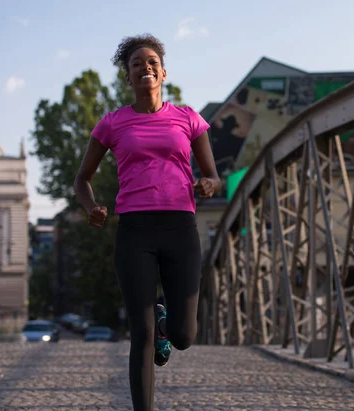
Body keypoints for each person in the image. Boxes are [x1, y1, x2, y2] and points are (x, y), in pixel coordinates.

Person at [73, 33, 221, 411]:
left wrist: (207, 183)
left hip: (180, 228)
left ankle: (164, 324)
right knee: (138, 335)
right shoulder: (112, 123)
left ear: (164, 72)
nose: (145, 67)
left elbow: (214, 176)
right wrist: (91, 206)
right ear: (128, 77)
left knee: (185, 335)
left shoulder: (188, 118)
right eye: (136, 63)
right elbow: (82, 178)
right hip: (135, 231)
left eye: (152, 62)